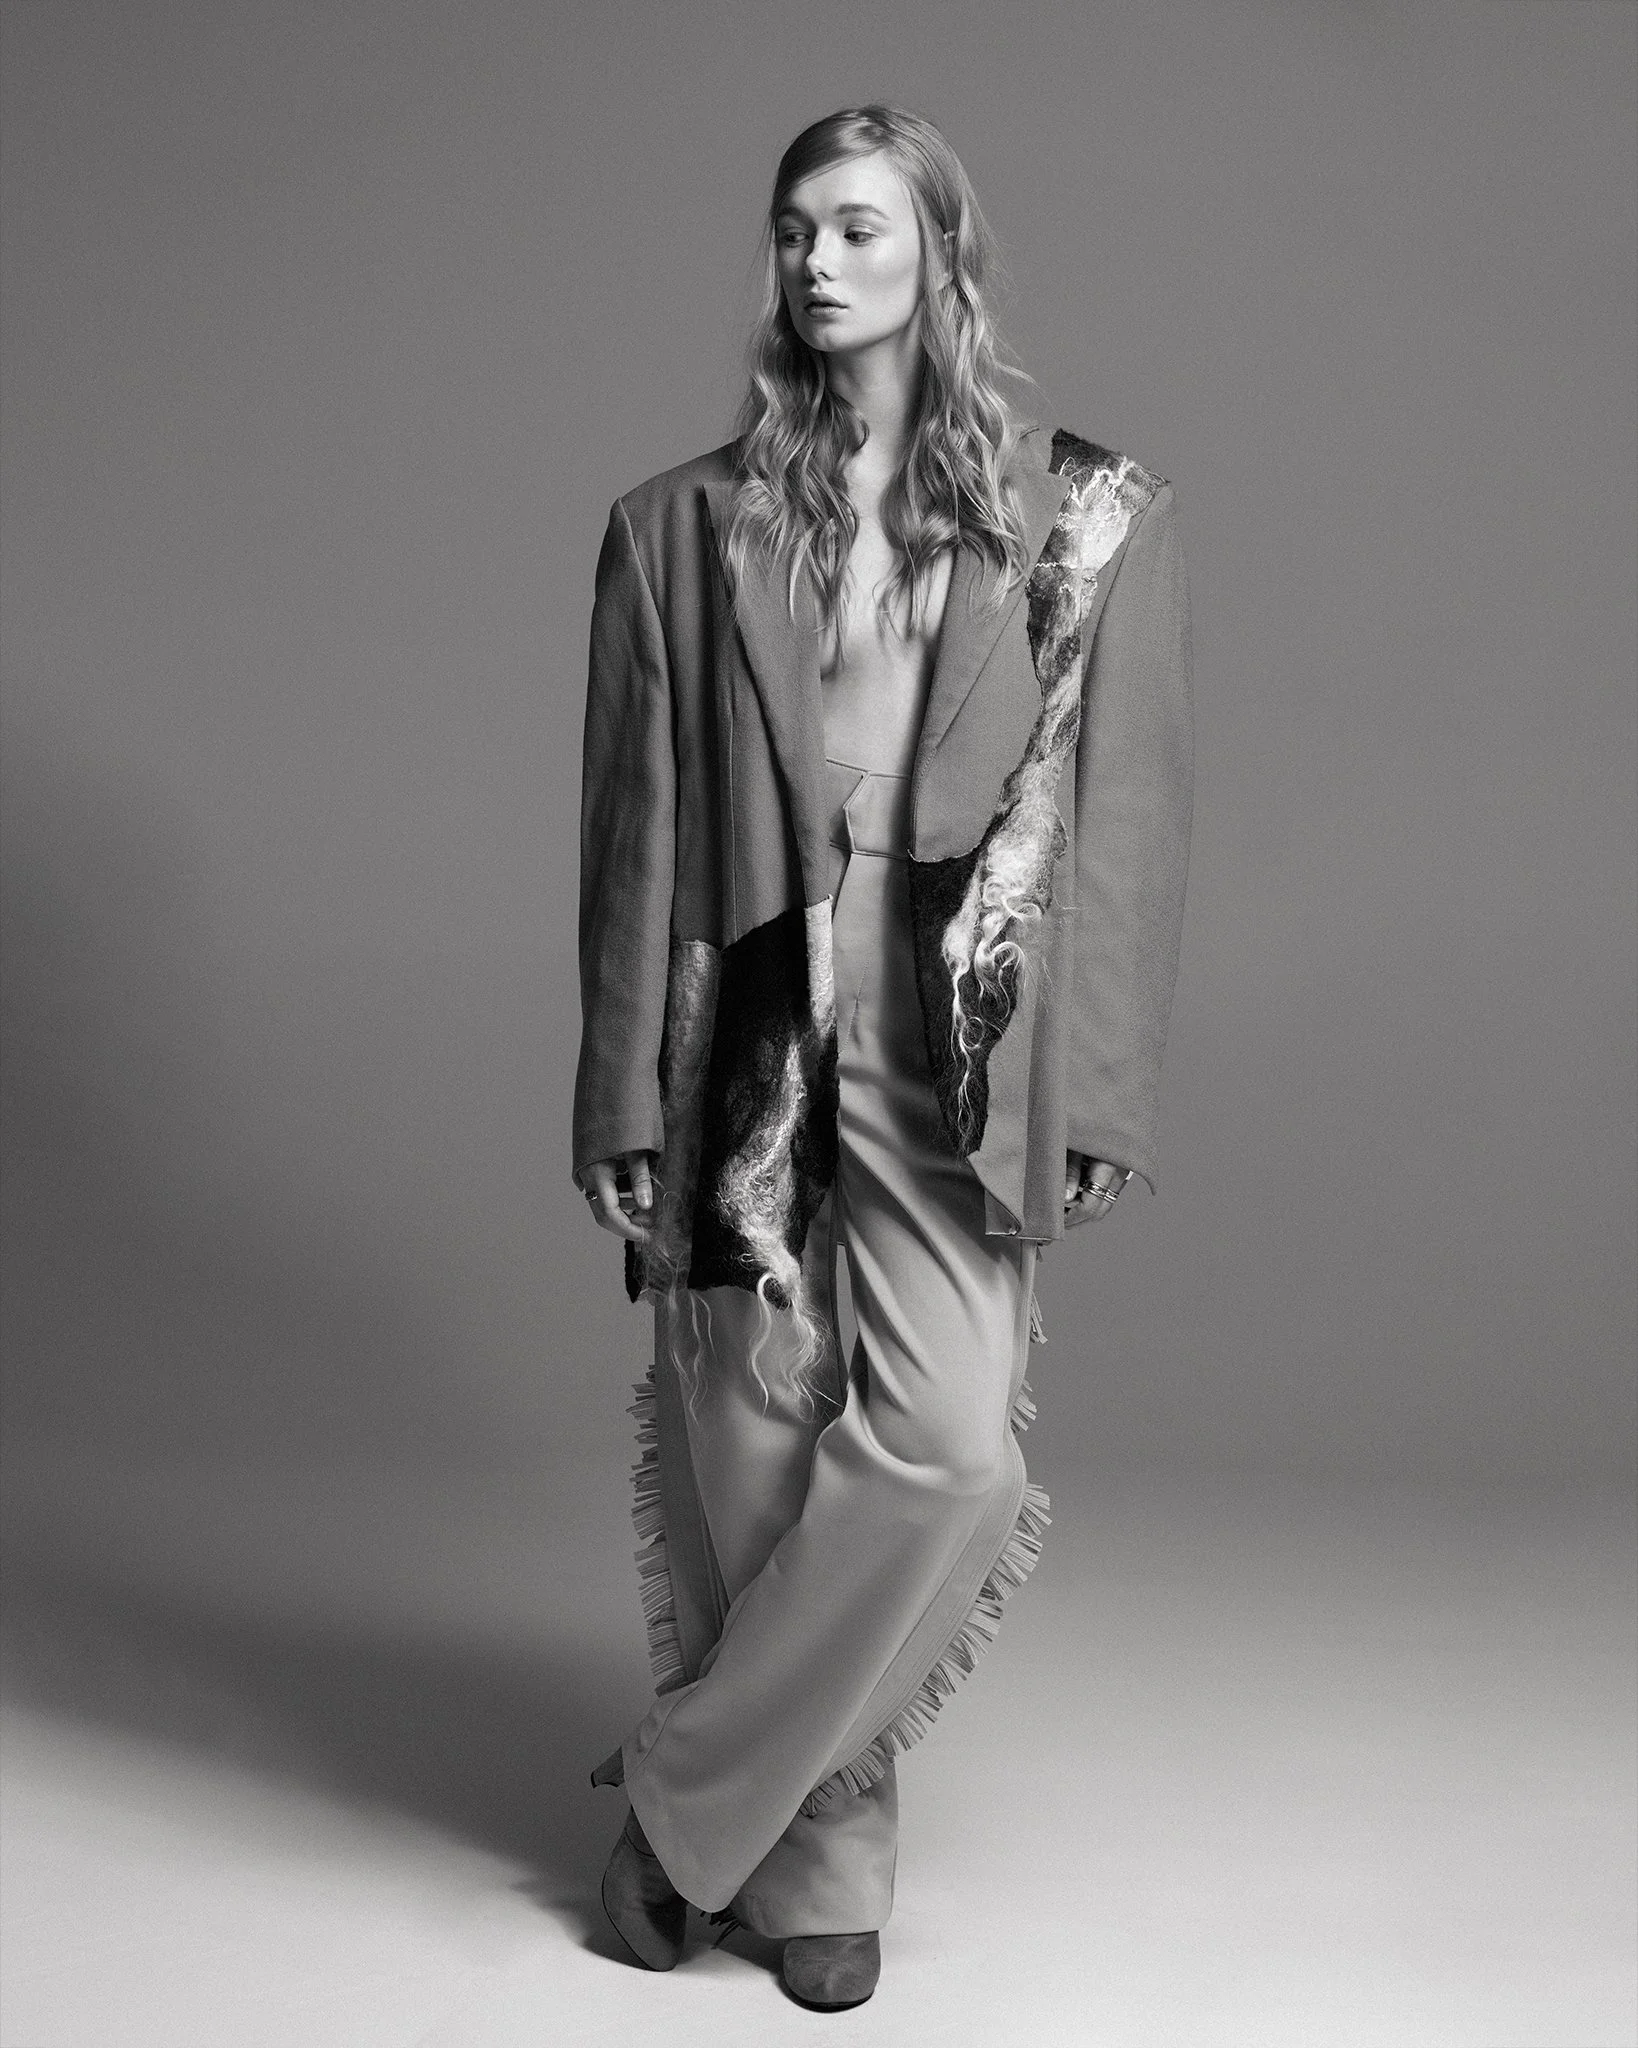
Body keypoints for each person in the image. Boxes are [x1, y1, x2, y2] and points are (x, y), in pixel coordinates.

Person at [572, 103, 1192, 2013]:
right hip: (742, 1017)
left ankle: (685, 1804)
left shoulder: (1090, 518)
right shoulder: (676, 528)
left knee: (943, 1455)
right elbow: (632, 835)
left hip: (958, 1035)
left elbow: (1124, 825)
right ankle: (824, 1862)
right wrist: (617, 1091)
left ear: (939, 252)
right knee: (753, 1445)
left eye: (855, 227)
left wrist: (1096, 1088)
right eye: (792, 231)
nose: (815, 262)